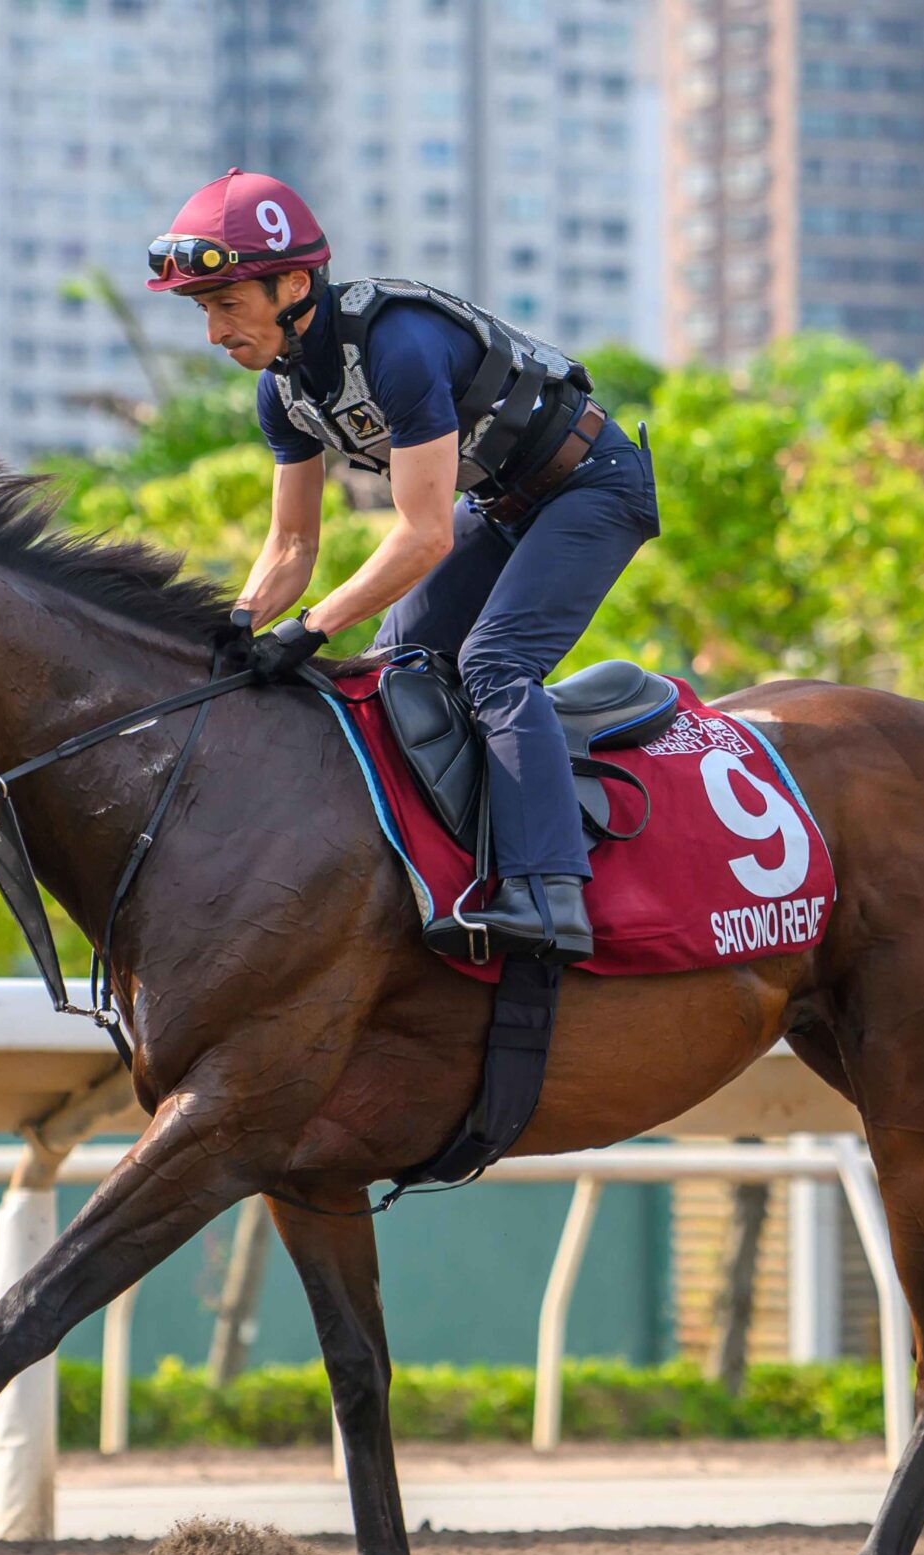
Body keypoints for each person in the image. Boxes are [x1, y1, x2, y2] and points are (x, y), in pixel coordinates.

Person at [147, 168, 659, 963]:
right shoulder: (283, 392)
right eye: (204, 312)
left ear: (292, 282)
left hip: (593, 486)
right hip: (505, 503)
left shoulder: (397, 345)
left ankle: (550, 892)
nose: (214, 333)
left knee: (494, 662)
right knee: (396, 666)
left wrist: (310, 630)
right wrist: (239, 627)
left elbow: (423, 536)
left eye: (226, 305)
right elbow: (291, 548)